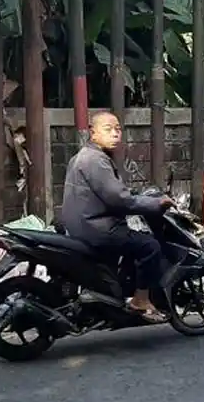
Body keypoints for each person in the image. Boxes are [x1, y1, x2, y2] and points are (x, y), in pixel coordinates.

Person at [59, 112, 174, 323]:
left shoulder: (81, 157)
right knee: (149, 246)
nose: (115, 134)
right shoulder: (96, 161)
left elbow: (112, 192)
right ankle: (140, 299)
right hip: (98, 229)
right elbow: (120, 200)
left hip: (80, 227)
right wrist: (155, 204)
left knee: (132, 242)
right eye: (108, 129)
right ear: (93, 133)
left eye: (118, 129)